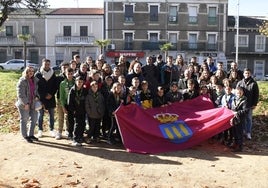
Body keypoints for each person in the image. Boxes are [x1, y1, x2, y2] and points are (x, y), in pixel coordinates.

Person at [16, 66, 39, 143]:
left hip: (33, 103)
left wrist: (37, 96)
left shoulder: (35, 80)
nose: (31, 72)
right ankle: (25, 136)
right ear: (26, 72)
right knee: (24, 120)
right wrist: (26, 103)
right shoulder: (22, 81)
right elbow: (20, 94)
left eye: (32, 71)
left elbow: (36, 91)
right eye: (29, 71)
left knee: (34, 119)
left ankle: (31, 135)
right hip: (24, 104)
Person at [35, 58, 57, 138]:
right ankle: (40, 130)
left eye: (48, 64)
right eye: (45, 64)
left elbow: (55, 85)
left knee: (51, 114)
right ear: (42, 64)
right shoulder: (38, 74)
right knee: (40, 114)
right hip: (41, 97)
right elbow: (36, 87)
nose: (47, 66)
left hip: (51, 97)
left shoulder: (53, 73)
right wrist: (43, 96)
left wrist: (51, 94)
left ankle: (52, 130)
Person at [236, 68, 259, 140]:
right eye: (245, 73)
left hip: (249, 104)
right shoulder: (240, 82)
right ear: (243, 74)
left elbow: (256, 94)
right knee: (242, 119)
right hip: (241, 104)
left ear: (250, 74)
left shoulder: (254, 83)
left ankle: (248, 132)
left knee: (249, 118)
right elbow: (236, 93)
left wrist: (254, 104)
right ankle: (242, 131)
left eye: (248, 73)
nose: (247, 74)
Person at [68, 76, 88, 146]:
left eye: (81, 82)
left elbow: (86, 100)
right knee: (77, 124)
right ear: (75, 82)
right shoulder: (72, 90)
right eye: (78, 82)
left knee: (83, 124)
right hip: (75, 110)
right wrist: (72, 110)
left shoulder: (85, 90)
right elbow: (69, 102)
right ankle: (75, 138)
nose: (80, 83)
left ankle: (81, 137)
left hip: (83, 110)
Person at [230, 86, 248, 152]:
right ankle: (235, 143)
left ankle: (240, 146)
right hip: (233, 118)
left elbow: (245, 110)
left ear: (242, 92)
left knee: (239, 132)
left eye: (240, 93)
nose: (239, 94)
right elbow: (232, 107)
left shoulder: (245, 100)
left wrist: (237, 112)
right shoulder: (234, 99)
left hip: (240, 119)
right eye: (237, 93)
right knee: (234, 132)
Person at [55, 62, 70, 140]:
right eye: (63, 67)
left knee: (67, 116)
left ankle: (67, 130)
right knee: (60, 116)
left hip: (69, 100)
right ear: (61, 68)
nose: (64, 68)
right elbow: (54, 88)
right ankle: (59, 131)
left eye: (66, 67)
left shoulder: (71, 77)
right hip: (60, 99)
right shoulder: (58, 78)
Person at [59, 67, 75, 140]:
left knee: (72, 118)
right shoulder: (62, 83)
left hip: (74, 103)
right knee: (65, 117)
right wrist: (63, 107)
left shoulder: (75, 82)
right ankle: (63, 131)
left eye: (71, 74)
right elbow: (61, 96)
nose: (70, 75)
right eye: (68, 74)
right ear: (65, 74)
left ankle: (72, 131)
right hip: (66, 103)